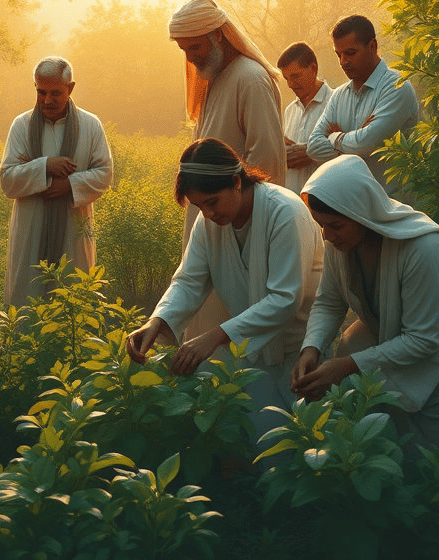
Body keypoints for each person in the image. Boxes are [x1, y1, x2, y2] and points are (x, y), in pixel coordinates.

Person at [126, 139, 322, 442]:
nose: (207, 214)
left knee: (309, 445)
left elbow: (286, 299)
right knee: (263, 445)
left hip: (299, 353)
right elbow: (189, 280)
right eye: (199, 206)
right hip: (252, 354)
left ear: (236, 182)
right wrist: (158, 321)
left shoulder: (284, 212)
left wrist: (217, 335)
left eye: (212, 202)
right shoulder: (210, 224)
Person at [292, 155, 439, 448]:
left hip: (437, 368)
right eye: (321, 226)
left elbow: (424, 339)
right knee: (387, 452)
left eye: (335, 226)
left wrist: (349, 365)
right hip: (387, 362)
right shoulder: (341, 245)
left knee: (438, 462)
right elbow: (329, 302)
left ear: (361, 212)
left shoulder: (421, 250)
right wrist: (310, 349)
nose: (327, 236)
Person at [168, 0, 286, 339]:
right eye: (185, 51)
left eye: (195, 47)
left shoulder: (250, 78)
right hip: (212, 221)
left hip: (241, 229)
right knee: (204, 317)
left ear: (218, 35)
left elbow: (267, 163)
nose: (191, 58)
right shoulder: (216, 78)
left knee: (236, 327)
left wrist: (244, 228)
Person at [0, 56, 113, 307]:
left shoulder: (90, 125)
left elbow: (104, 173)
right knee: (27, 298)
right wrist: (45, 166)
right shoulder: (21, 125)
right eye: (41, 92)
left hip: (74, 227)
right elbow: (7, 179)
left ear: (70, 88)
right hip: (32, 227)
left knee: (73, 293)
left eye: (55, 93)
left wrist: (70, 185)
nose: (47, 100)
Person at [306, 15, 419, 194]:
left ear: (372, 46)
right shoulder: (339, 95)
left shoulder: (397, 87)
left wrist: (335, 137)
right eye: (339, 55)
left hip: (396, 206)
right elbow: (313, 147)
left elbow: (367, 143)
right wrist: (356, 140)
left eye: (350, 53)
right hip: (354, 208)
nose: (343, 62)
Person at [277, 41, 333, 196]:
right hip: (293, 202)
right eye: (286, 78)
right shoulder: (290, 111)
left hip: (326, 200)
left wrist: (312, 154)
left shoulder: (335, 103)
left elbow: (348, 152)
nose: (290, 84)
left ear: (313, 69)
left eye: (295, 76)